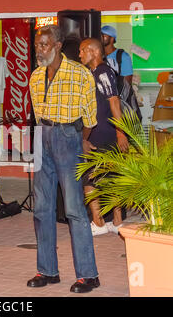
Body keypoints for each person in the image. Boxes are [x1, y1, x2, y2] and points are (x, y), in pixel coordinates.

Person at [27, 25, 99, 293]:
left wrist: (79, 139)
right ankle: (47, 270)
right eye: (37, 45)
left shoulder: (80, 74)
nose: (39, 50)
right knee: (42, 209)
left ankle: (88, 275)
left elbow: (91, 116)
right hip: (42, 137)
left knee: (73, 209)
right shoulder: (35, 77)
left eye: (44, 45)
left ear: (57, 45)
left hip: (69, 137)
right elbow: (37, 113)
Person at [79, 38, 129, 236]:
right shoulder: (94, 72)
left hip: (104, 134)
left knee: (90, 178)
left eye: (83, 51)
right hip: (102, 132)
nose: (80, 54)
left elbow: (114, 102)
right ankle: (115, 222)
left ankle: (99, 223)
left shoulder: (102, 71)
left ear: (93, 51)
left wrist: (120, 132)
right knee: (109, 177)